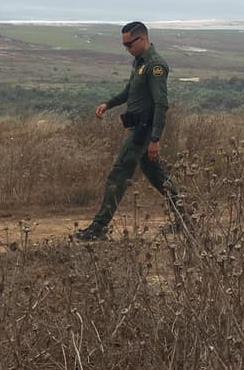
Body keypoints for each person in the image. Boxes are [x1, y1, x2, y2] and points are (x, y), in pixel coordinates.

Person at [74, 21, 185, 241]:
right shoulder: (139, 62)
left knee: (118, 174)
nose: (127, 49)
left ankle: (99, 227)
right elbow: (130, 90)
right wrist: (108, 104)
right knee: (158, 177)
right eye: (124, 45)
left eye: (129, 44)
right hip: (138, 127)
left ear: (142, 38)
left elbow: (161, 104)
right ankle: (186, 219)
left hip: (143, 131)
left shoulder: (155, 65)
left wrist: (155, 139)